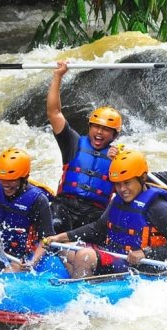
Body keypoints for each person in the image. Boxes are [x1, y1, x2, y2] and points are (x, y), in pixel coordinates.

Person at [40, 149, 167, 279]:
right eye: (117, 184)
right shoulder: (118, 201)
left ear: (142, 178)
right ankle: (83, 282)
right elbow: (98, 229)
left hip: (143, 267)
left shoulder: (158, 207)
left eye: (127, 183)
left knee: (86, 256)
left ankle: (75, 296)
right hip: (117, 256)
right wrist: (60, 237)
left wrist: (146, 253)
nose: (122, 189)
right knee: (66, 250)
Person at [46, 60, 121, 233]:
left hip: (95, 213)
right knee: (56, 224)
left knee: (96, 234)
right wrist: (58, 75)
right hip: (64, 205)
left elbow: (133, 189)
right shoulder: (72, 142)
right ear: (89, 126)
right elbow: (54, 112)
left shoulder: (119, 156)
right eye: (96, 126)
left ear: (115, 135)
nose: (100, 132)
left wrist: (118, 164)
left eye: (106, 130)